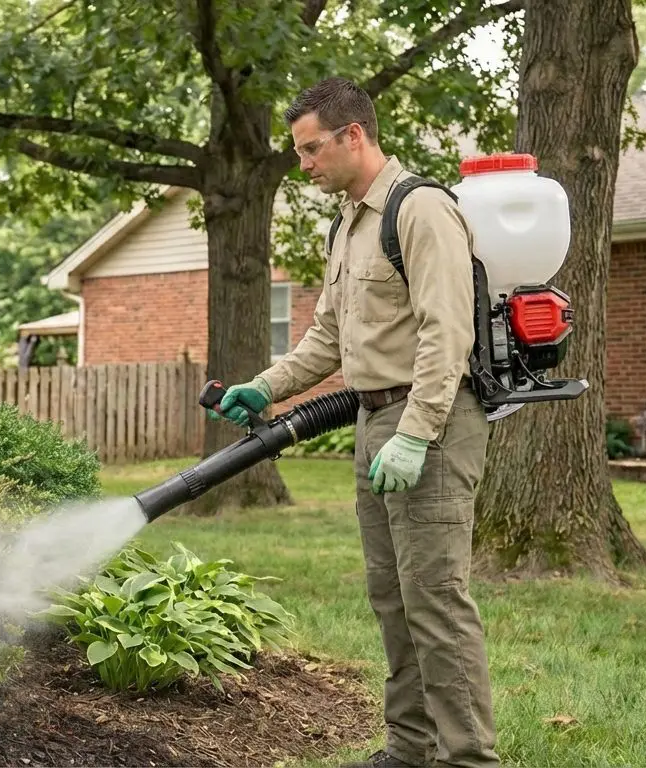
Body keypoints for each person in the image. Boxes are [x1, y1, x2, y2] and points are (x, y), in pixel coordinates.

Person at [208, 77, 497, 768]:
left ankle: (469, 758)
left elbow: (447, 334)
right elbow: (327, 340)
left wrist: (418, 432)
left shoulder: (419, 209)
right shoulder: (348, 222)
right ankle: (408, 748)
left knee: (434, 599)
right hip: (374, 425)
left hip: (430, 420)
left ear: (354, 135)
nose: (303, 164)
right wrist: (263, 386)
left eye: (311, 149)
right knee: (391, 598)